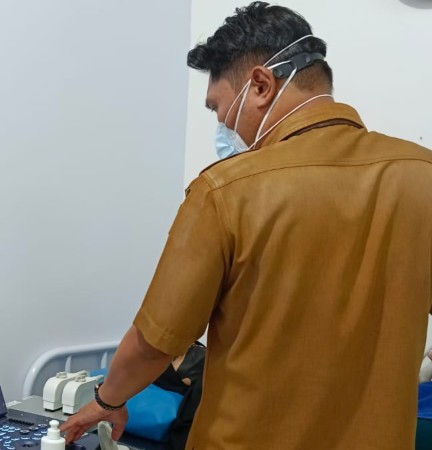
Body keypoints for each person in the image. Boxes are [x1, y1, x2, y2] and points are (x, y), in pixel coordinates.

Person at [60, 2, 432, 449]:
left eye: (218, 108)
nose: (223, 125)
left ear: (260, 85)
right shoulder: (422, 175)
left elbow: (155, 343)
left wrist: (107, 399)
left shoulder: (227, 190)